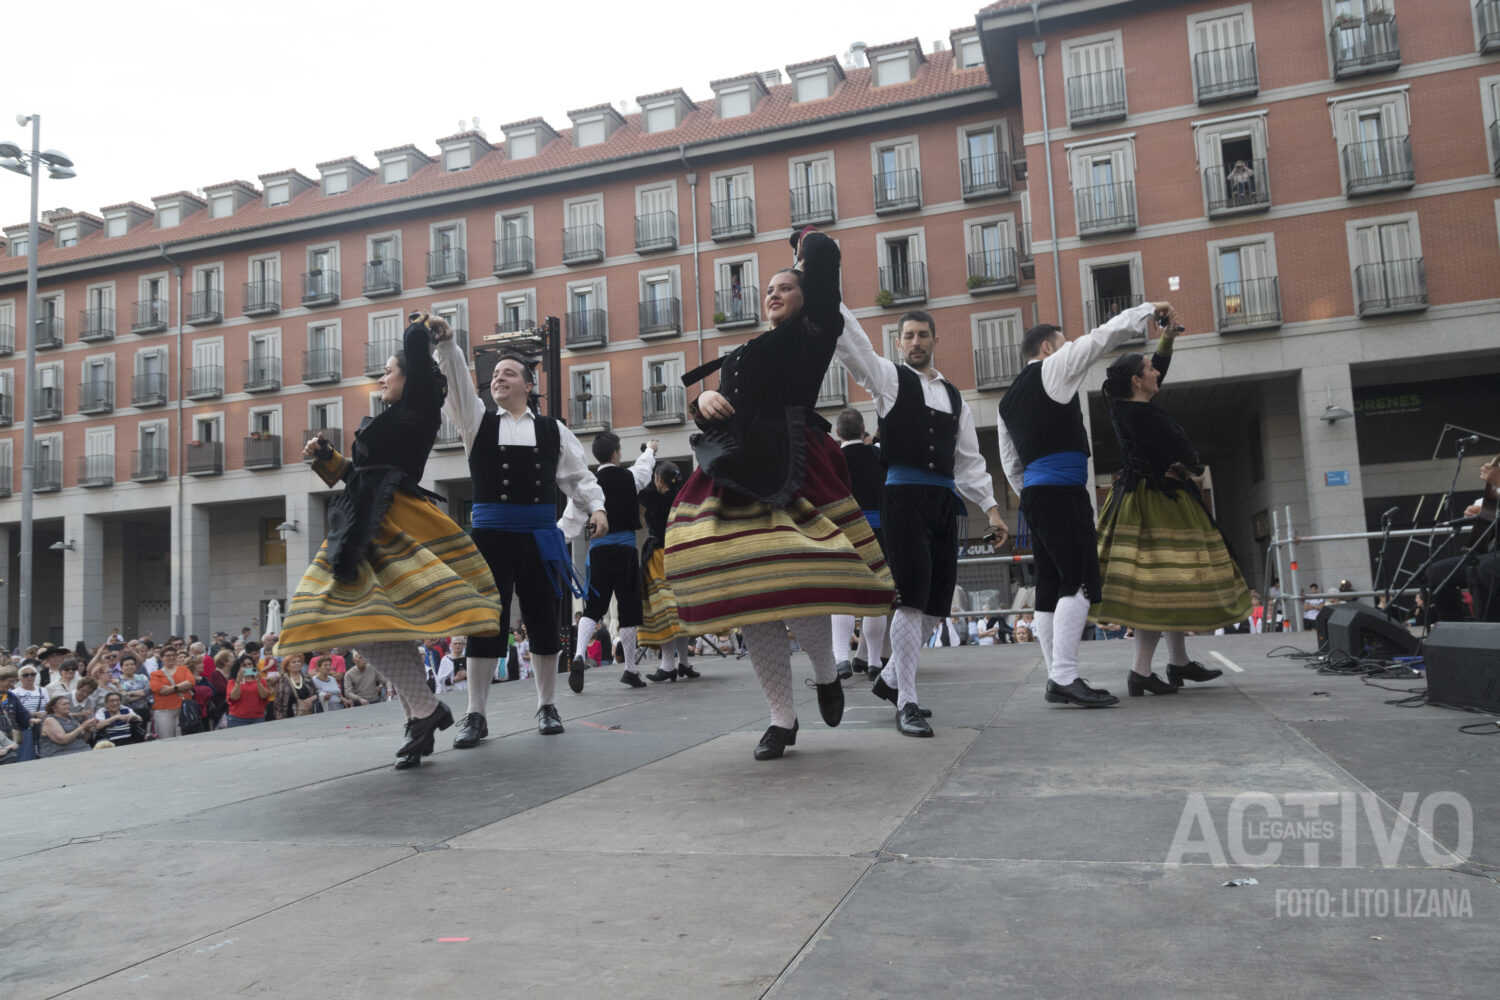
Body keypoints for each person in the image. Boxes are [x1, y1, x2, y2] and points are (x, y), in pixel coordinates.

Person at [666, 227, 894, 760]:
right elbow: (716, 407)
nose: (773, 294)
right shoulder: (741, 352)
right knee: (756, 597)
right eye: (768, 289)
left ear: (806, 297)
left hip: (793, 461)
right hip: (739, 467)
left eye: (786, 287)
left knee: (796, 581)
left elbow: (825, 260)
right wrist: (704, 404)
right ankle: (781, 718)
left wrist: (805, 245)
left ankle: (824, 673)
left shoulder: (815, 331)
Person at [279, 313, 501, 769]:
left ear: (411, 376)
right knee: (381, 627)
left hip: (387, 525)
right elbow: (358, 475)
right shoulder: (392, 417)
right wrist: (327, 458)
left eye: (390, 369)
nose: (383, 376)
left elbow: (418, 373)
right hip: (364, 521)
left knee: (353, 621)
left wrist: (421, 332)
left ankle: (424, 710)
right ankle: (420, 720)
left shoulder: (417, 407)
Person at [833, 306, 1008, 736]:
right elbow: (854, 345)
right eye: (908, 336)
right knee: (911, 599)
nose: (915, 342)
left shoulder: (954, 396)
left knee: (935, 606)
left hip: (944, 500)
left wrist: (990, 507)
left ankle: (891, 679)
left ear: (934, 340)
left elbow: (968, 459)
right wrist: (825, 290)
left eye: (922, 335)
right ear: (898, 343)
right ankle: (905, 699)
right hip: (903, 496)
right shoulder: (889, 379)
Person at [432, 321, 606, 747]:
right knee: (485, 623)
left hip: (539, 536)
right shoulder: (475, 422)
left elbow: (578, 476)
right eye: (495, 375)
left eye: (508, 373)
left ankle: (547, 705)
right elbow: (456, 385)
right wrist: (449, 343)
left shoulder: (553, 430)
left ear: (529, 385)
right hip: (490, 537)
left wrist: (597, 508)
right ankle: (476, 714)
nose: (498, 378)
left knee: (544, 620)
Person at [997, 302, 1175, 708]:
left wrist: (1033, 492)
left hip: (1037, 495)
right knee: (1076, 580)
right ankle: (1063, 677)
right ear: (1046, 347)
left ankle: (1057, 675)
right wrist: (1147, 309)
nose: (1067, 351)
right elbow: (1100, 338)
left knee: (1046, 588)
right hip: (1062, 490)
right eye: (1061, 345)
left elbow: (1010, 464)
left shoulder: (1005, 402)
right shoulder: (1054, 368)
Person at [1093, 331, 1252, 695]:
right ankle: (1141, 672)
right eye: (1150, 369)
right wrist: (1190, 466)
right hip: (1156, 504)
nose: (1157, 373)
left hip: (1140, 498)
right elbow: (1186, 450)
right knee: (1159, 590)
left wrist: (1165, 341)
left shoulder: (1124, 404)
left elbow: (1156, 368)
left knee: (1171, 586)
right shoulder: (1144, 415)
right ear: (1136, 380)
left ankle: (1177, 664)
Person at [561, 433, 659, 690]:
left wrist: (555, 542)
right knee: (628, 609)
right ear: (616, 453)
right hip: (626, 550)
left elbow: (570, 522)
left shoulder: (588, 484)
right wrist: (649, 450)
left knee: (593, 607)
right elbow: (644, 468)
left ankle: (579, 653)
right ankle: (630, 668)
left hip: (599, 552)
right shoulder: (629, 478)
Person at [828, 408, 889, 680]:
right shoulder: (877, 456)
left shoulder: (832, 460)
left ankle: (841, 658)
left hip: (844, 532)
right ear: (863, 428)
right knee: (876, 595)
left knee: (841, 593)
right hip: (878, 531)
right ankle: (875, 661)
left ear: (838, 432)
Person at [637, 461, 699, 683]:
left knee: (664, 611)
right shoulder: (681, 497)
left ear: (658, 478)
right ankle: (683, 662)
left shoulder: (651, 497)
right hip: (679, 553)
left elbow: (642, 492)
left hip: (658, 557)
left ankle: (668, 665)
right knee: (680, 609)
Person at [148, 646, 195, 739]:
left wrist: (173, 688)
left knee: (183, 737)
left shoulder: (184, 669)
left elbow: (191, 683)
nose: (171, 657)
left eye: (173, 655)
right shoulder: (155, 674)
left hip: (183, 708)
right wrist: (181, 686)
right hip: (164, 710)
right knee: (166, 738)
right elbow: (161, 690)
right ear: (161, 658)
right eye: (168, 655)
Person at [12, 661, 46, 760]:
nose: (29, 677)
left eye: (33, 674)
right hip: (23, 725)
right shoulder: (14, 693)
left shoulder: (42, 690)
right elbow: (15, 711)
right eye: (26, 675)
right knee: (25, 752)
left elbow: (48, 707)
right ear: (20, 678)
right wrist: (35, 714)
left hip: (41, 725)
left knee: (41, 750)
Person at [225, 655, 272, 727]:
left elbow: (264, 696)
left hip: (257, 718)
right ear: (239, 667)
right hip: (237, 719)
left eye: (250, 664)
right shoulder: (232, 682)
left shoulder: (260, 680)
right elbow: (234, 697)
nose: (248, 667)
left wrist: (258, 682)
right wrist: (238, 680)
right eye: (244, 665)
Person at [274, 653, 319, 719]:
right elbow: (278, 705)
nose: (297, 663)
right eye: (293, 662)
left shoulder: (307, 678)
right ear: (287, 666)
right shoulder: (283, 682)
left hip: (308, 715)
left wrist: (312, 698)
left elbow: (316, 694)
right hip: (289, 718)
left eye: (299, 662)